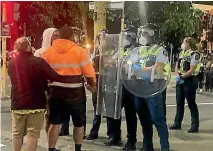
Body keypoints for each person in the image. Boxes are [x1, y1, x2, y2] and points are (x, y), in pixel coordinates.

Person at [8, 37, 74, 151]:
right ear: (29, 47)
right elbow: (54, 76)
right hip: (36, 103)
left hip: (17, 103)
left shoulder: (11, 63)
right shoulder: (38, 62)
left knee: (17, 133)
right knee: (33, 134)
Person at [42, 25, 96, 151]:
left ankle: (51, 148)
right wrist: (92, 85)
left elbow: (42, 72)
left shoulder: (48, 52)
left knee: (55, 123)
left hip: (55, 92)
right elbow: (88, 72)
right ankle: (77, 148)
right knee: (78, 123)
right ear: (72, 36)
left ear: (59, 36)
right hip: (75, 92)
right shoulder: (79, 51)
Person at [129, 24, 170, 151]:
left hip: (154, 87)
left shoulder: (160, 50)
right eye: (140, 33)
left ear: (152, 34)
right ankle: (147, 146)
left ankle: (165, 147)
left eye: (144, 33)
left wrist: (137, 70)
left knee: (158, 119)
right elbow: (128, 67)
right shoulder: (138, 50)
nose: (141, 36)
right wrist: (142, 70)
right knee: (143, 118)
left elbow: (157, 69)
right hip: (139, 87)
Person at [170, 37, 200, 133]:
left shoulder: (194, 54)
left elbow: (192, 70)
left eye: (184, 42)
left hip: (190, 80)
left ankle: (195, 125)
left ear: (188, 43)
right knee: (179, 102)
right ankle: (177, 123)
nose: (183, 44)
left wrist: (182, 77)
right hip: (181, 79)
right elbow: (177, 66)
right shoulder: (182, 53)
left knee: (191, 103)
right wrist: (177, 74)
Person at [34, 28, 60, 137]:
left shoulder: (60, 52)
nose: (58, 38)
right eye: (55, 36)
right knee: (47, 115)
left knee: (55, 117)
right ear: (48, 37)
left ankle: (51, 143)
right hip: (44, 88)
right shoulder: (39, 53)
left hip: (58, 87)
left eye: (59, 36)